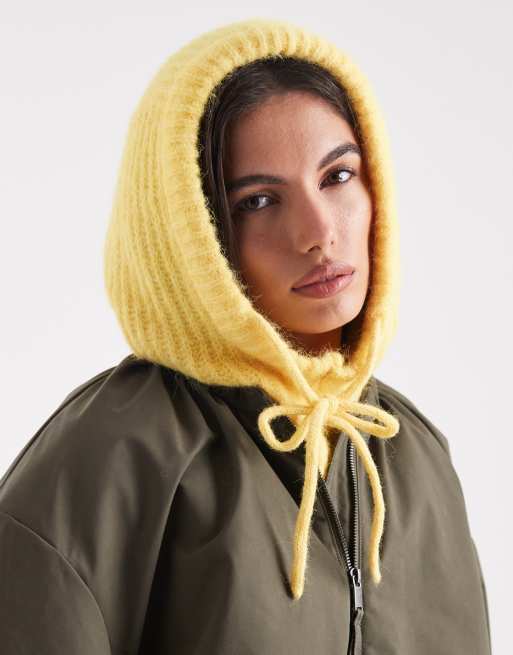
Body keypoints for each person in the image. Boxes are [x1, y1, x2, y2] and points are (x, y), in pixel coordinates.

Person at [0, 17, 492, 655]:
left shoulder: (412, 451)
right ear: (189, 233)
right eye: (258, 201)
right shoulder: (119, 448)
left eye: (338, 176)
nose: (319, 232)